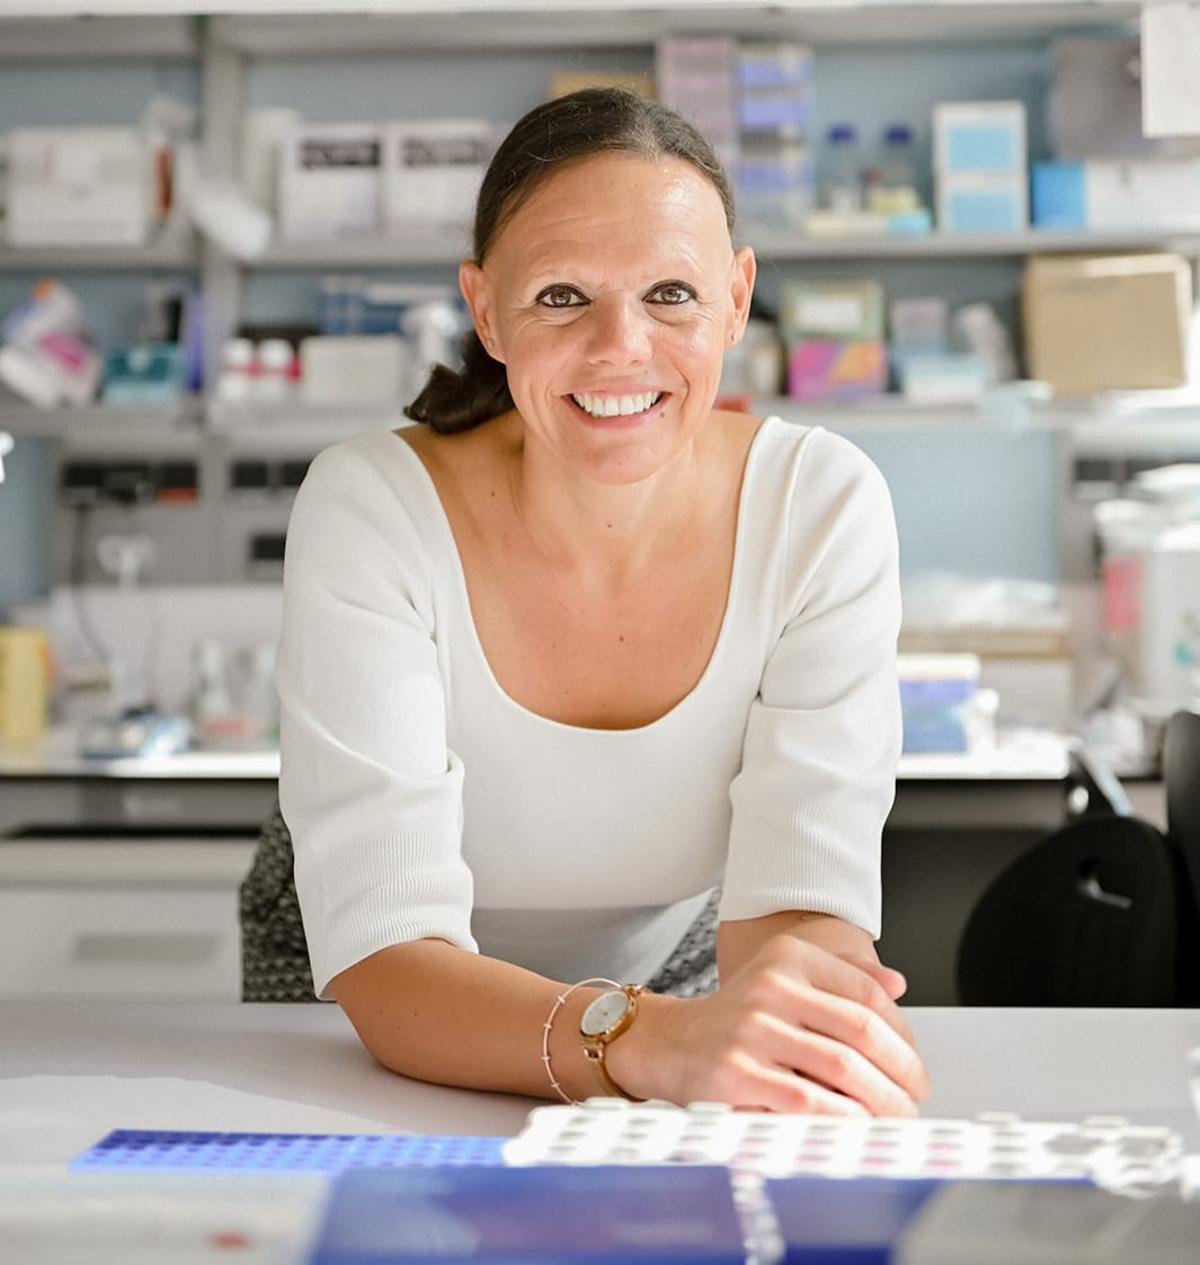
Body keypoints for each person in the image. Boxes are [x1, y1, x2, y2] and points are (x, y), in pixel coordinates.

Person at [275, 87, 930, 1115]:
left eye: (670, 292)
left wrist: (808, 1030)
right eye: (561, 296)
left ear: (737, 297)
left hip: (674, 983)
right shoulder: (373, 505)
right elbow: (390, 954)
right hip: (364, 993)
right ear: (485, 308)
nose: (621, 346)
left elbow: (798, 914)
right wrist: (642, 1038)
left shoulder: (819, 504)